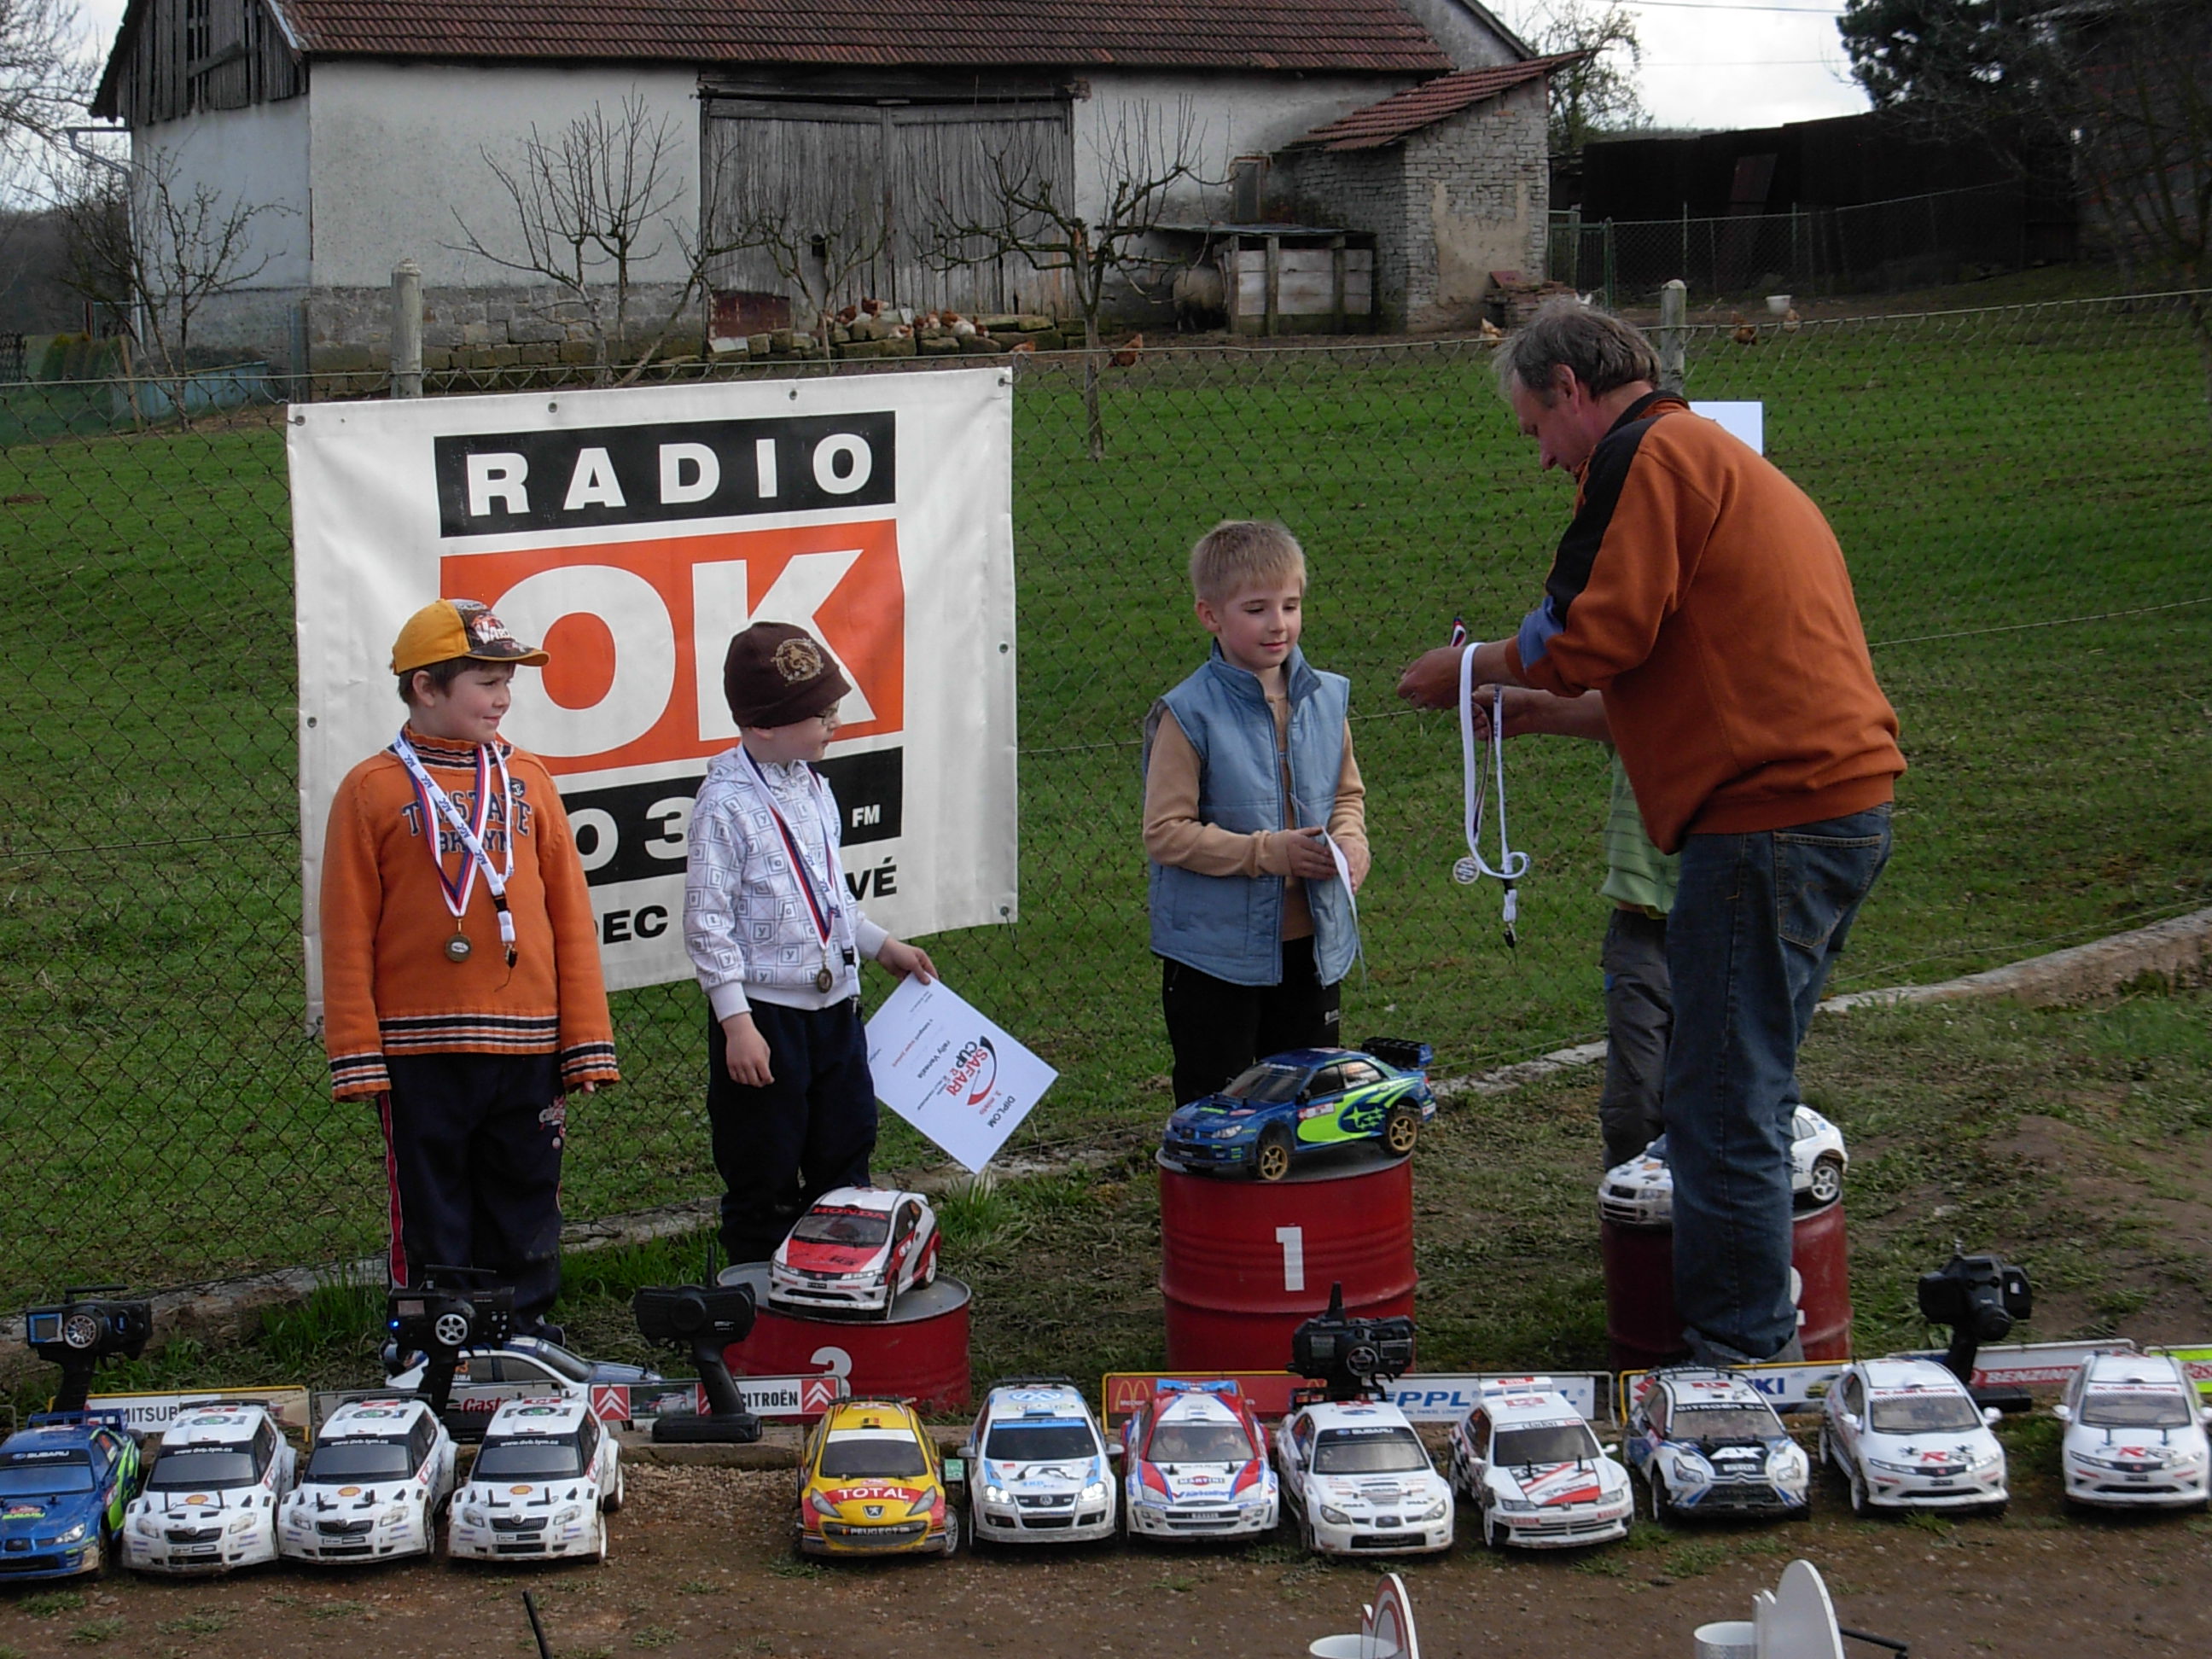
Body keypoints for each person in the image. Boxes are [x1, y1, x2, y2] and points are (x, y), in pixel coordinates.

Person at [1398, 300, 1903, 1366]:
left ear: (1572, 391)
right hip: (1834, 804)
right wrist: (1546, 710)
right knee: (1739, 1085)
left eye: (1536, 427)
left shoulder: (1644, 456)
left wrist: (1478, 668)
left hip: (1769, 820)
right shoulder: (1705, 455)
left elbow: (1594, 630)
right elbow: (1679, 664)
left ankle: (1741, 1359)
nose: (1541, 458)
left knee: (1719, 1102)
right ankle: (1751, 1334)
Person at [320, 598, 618, 1340]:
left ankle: (523, 1336)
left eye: (506, 682)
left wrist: (584, 1036)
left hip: (528, 1047)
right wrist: (357, 1049)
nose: (504, 698)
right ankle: (435, 1338)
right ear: (426, 688)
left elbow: (569, 918)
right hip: (421, 1051)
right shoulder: (371, 790)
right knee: (434, 1203)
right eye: (486, 681)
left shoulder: (532, 782)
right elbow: (346, 927)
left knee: (526, 1195)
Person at [685, 621, 937, 1266]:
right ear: (764, 725)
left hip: (835, 1008)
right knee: (764, 1166)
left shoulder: (813, 786)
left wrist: (882, 946)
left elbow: (829, 895)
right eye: (818, 714)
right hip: (767, 1019)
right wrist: (737, 1023)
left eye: (832, 709)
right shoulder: (724, 805)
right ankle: (755, 1297)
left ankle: (837, 1276)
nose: (832, 723)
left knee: (845, 1153)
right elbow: (706, 924)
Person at [1144, 520, 1371, 1107]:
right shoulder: (1187, 714)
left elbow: (1347, 794)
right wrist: (1269, 853)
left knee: (1309, 1093)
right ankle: (1214, 1201)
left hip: (1313, 944)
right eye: (1256, 608)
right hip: (1215, 956)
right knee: (1220, 1101)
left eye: (1291, 605)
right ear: (1210, 616)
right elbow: (1166, 834)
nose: (1279, 624)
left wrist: (1352, 843)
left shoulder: (1325, 697)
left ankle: (1295, 1201)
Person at [1473, 686, 1675, 1170]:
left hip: (1725, 923)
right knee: (1635, 1105)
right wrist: (1522, 705)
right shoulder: (1639, 696)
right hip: (1639, 928)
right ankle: (1635, 1218)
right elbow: (1615, 707)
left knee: (1715, 1095)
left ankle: (1708, 1224)